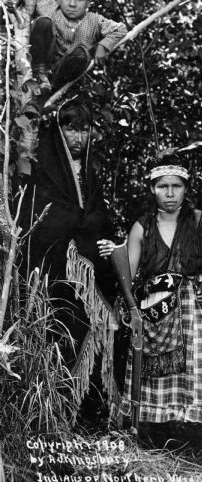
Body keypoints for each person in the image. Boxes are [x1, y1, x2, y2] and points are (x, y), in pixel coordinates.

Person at [100, 156, 202, 467]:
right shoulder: (141, 227)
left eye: (176, 186)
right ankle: (163, 454)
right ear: (153, 189)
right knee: (157, 379)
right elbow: (130, 272)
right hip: (154, 310)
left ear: (186, 189)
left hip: (193, 306)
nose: (170, 193)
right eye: (163, 186)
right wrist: (115, 256)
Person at [19, 97, 118, 418]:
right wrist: (74, 224)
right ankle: (50, 410)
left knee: (88, 331)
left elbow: (99, 217)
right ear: (59, 131)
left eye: (85, 129)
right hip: (54, 273)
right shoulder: (44, 168)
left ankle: (84, 411)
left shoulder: (89, 171)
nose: (78, 138)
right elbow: (39, 219)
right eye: (71, 129)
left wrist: (101, 239)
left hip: (85, 275)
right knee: (57, 332)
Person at [11, 0, 127, 95]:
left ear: (88, 3)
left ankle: (51, 89)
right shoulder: (50, 8)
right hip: (43, 64)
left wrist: (103, 46)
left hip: (64, 74)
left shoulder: (95, 20)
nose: (72, 4)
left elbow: (120, 29)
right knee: (44, 22)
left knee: (81, 54)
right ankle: (39, 74)